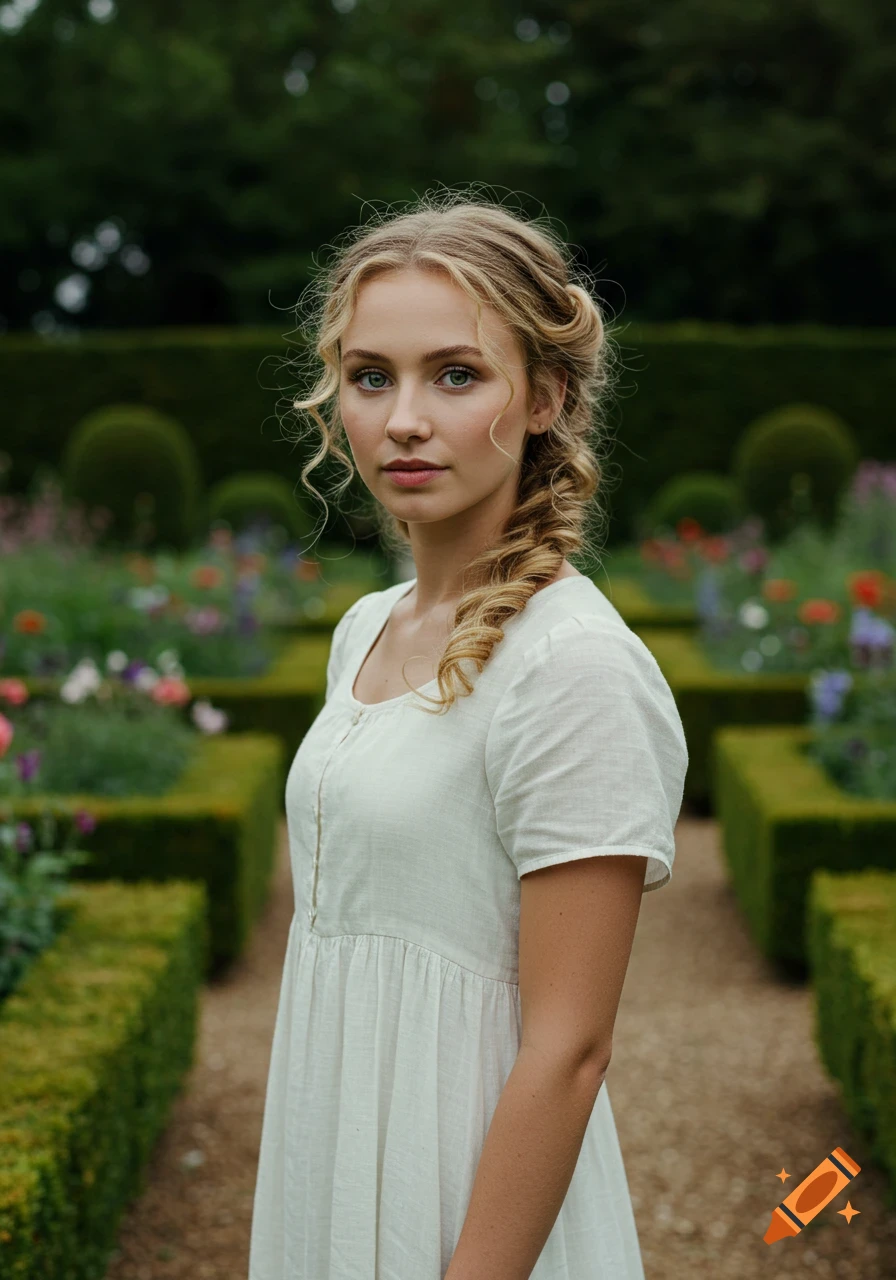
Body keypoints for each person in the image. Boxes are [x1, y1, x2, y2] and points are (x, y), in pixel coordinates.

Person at [248, 191, 689, 1280]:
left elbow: (568, 1048)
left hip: (468, 1197)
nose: (402, 417)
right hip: (330, 1145)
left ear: (542, 395)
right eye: (369, 376)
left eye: (454, 374)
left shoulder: (569, 665)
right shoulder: (365, 627)